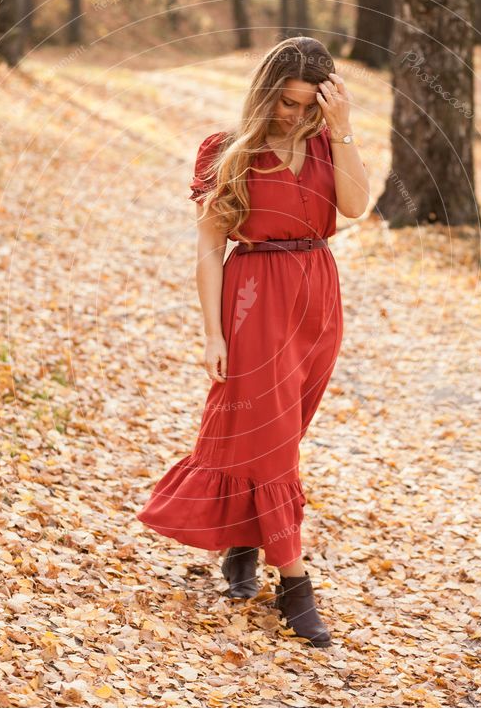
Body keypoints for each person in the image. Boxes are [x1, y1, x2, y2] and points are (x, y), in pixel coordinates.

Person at [136, 36, 369, 648]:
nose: (293, 115)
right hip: (253, 297)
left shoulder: (328, 143)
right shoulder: (226, 150)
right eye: (284, 102)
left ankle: (243, 539)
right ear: (265, 94)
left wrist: (341, 128)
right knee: (264, 434)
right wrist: (213, 331)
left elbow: (356, 206)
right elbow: (210, 250)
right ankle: (295, 582)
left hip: (317, 299)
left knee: (279, 434)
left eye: (306, 104)